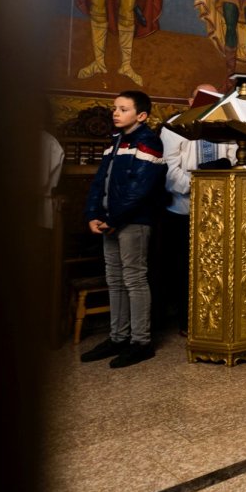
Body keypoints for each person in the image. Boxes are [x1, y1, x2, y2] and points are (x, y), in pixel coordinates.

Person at [80, 91, 167, 368]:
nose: (116, 113)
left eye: (123, 109)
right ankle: (118, 337)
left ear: (141, 115)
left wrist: (115, 217)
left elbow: (140, 189)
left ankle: (141, 342)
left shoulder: (149, 141)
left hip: (133, 222)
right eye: (115, 108)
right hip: (110, 221)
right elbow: (100, 182)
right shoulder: (115, 141)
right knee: (115, 279)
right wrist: (93, 214)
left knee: (134, 279)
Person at [160, 84, 237, 333]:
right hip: (183, 208)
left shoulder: (225, 126)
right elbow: (170, 169)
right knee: (185, 267)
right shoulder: (175, 126)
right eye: (203, 97)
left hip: (219, 208)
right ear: (190, 100)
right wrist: (200, 186)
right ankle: (188, 319)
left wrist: (215, 185)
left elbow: (232, 159)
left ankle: (215, 317)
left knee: (216, 265)